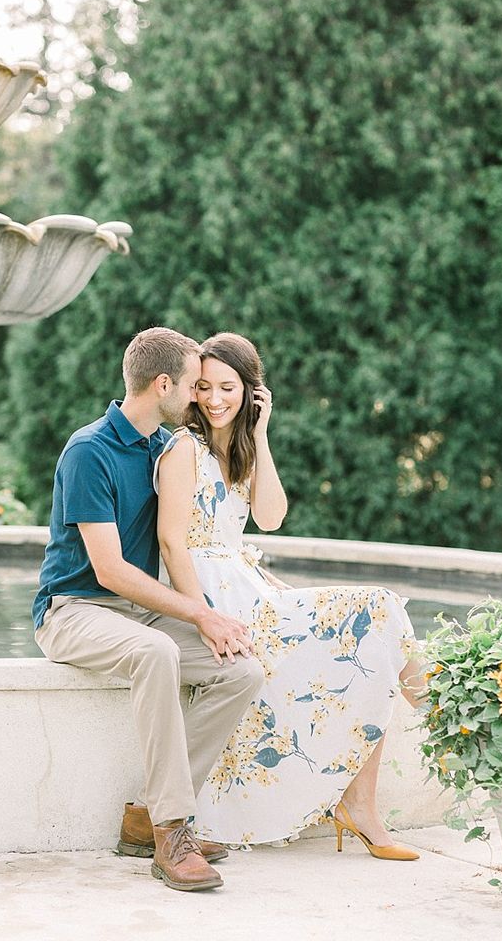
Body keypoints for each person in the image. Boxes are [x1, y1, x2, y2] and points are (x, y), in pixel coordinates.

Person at [155, 331, 423, 856]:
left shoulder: (239, 448)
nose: (214, 399)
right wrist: (201, 617)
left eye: (228, 388)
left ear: (251, 391)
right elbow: (170, 540)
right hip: (214, 599)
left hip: (248, 588)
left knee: (379, 625)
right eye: (204, 388)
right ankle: (455, 729)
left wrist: (262, 432)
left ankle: (365, 802)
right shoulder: (183, 448)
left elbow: (271, 518)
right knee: (377, 612)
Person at [32, 327, 265, 892]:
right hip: (72, 610)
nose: (198, 398)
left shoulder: (163, 447)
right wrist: (198, 613)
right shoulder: (89, 450)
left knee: (242, 670)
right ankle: (171, 831)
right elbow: (108, 571)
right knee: (158, 650)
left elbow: (189, 532)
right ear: (163, 384)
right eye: (191, 385)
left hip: (131, 614)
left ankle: (144, 817)